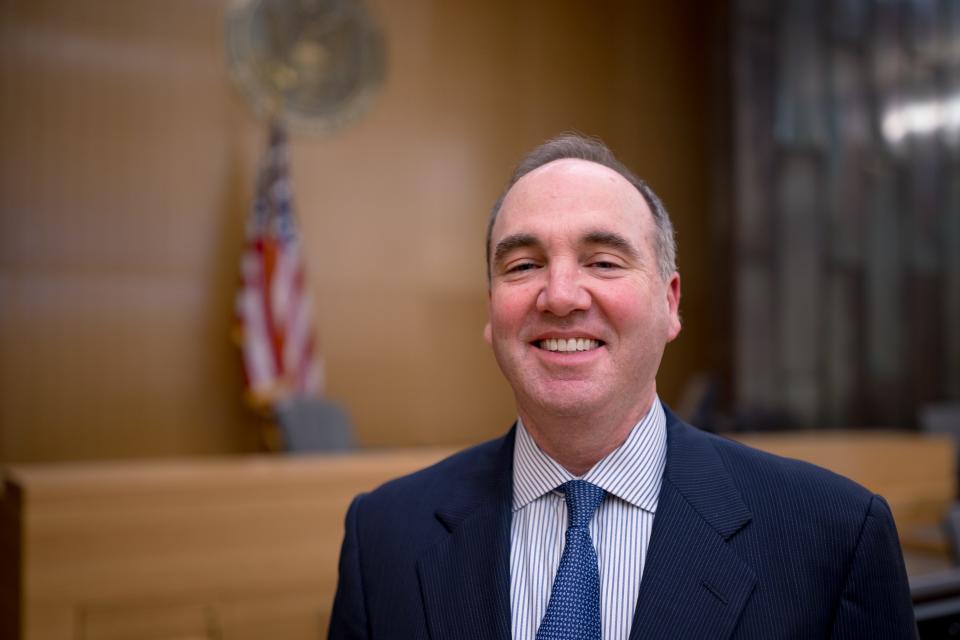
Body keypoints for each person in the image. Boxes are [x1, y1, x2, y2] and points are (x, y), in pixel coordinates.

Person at [328, 134, 917, 639]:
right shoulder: (382, 538)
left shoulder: (833, 537)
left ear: (669, 302)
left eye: (604, 261)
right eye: (523, 265)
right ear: (492, 311)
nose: (560, 296)